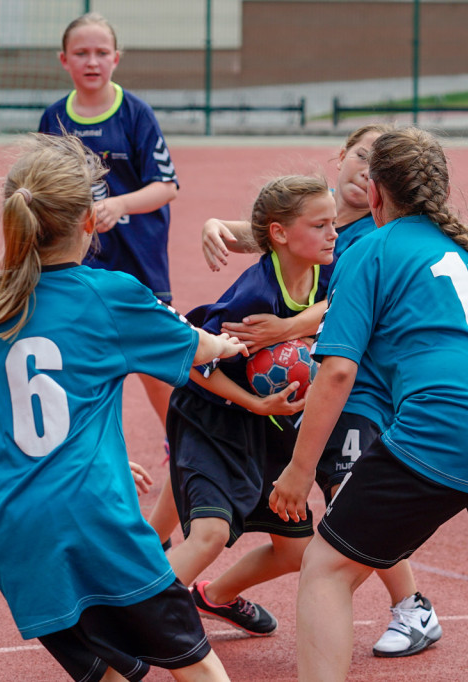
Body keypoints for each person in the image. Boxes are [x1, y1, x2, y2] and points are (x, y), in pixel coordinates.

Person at [269, 127, 468, 681]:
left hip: (445, 427)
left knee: (326, 567)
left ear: (374, 192)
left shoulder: (370, 250)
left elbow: (338, 370)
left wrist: (298, 471)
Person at [0, 133, 243, 682]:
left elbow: (2, 435)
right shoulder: (110, 294)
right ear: (92, 221)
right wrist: (229, 344)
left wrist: (103, 456)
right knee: (198, 666)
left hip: (11, 528)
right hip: (90, 519)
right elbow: (198, 348)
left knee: (111, 674)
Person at [200, 124, 446, 658]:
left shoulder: (374, 233)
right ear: (341, 156)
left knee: (349, 498)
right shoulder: (323, 211)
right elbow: (272, 228)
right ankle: (209, 591)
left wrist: (286, 329)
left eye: (376, 164)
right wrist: (216, 225)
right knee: (296, 525)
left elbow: (344, 300)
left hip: (354, 385)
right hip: (303, 391)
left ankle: (413, 607)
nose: (365, 169)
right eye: (360, 154)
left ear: (385, 184)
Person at [164, 175, 337, 637]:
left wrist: (290, 331)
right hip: (214, 418)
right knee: (210, 535)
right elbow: (194, 361)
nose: (333, 234)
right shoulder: (254, 296)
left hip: (271, 424)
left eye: (334, 223)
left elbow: (340, 302)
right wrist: (254, 403)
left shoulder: (329, 270)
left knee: (296, 551)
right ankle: (124, 625)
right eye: (320, 225)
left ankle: (213, 597)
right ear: (279, 234)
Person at [39, 12, 180, 538]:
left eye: (101, 52)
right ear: (64, 61)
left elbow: (166, 186)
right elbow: (41, 190)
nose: (92, 61)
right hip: (77, 262)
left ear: (116, 59)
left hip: (139, 260)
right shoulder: (55, 118)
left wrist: (119, 204)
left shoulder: (136, 114)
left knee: (155, 365)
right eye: (82, 53)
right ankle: (84, 456)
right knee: (82, 360)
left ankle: (182, 442)